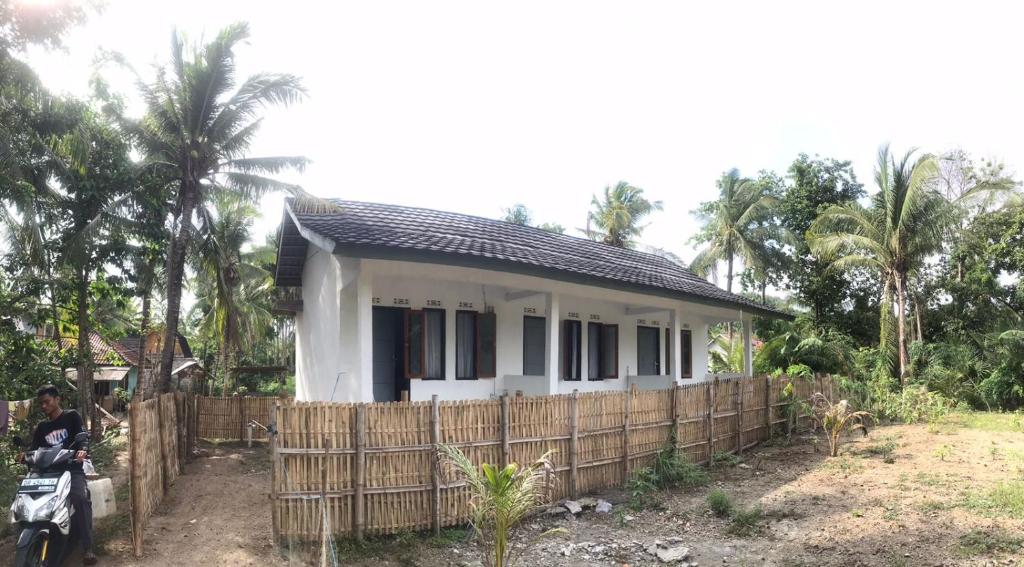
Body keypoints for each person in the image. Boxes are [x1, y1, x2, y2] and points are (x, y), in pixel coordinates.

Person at [24, 384, 97, 566]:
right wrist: (25, 456)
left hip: (71, 470)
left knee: (80, 498)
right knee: (26, 497)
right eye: (41, 403)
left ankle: (88, 547)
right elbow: (34, 449)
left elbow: (82, 436)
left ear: (57, 399)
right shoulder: (42, 427)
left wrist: (83, 449)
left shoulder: (71, 416)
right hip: (48, 473)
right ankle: (29, 537)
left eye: (47, 402)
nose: (44, 406)